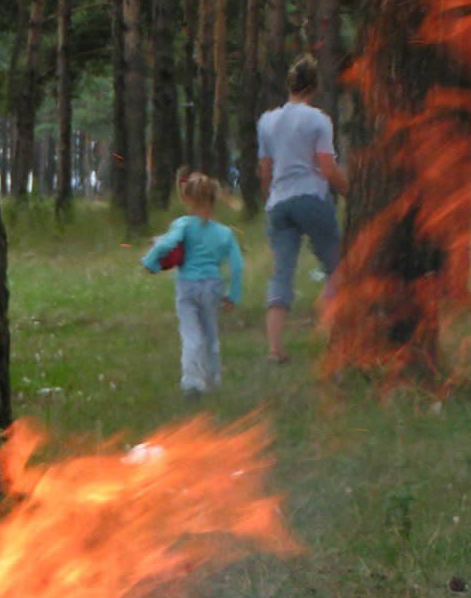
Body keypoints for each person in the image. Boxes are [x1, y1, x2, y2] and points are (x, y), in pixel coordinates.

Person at [257, 53, 349, 363]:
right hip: (310, 196)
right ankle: (331, 330)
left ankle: (274, 348)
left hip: (278, 202)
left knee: (281, 272)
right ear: (314, 87)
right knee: (336, 266)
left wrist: (270, 198)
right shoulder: (318, 120)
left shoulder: (267, 121)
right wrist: (352, 194)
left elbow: (265, 170)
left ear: (290, 85)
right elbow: (328, 168)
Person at [141, 171, 243, 399]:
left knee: (190, 335)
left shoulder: (183, 225)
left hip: (187, 285)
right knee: (210, 333)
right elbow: (236, 265)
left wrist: (150, 262)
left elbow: (167, 244)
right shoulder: (225, 233)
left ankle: (192, 383)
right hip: (213, 287)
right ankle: (212, 380)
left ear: (188, 200)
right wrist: (232, 294)